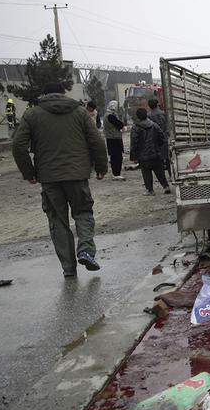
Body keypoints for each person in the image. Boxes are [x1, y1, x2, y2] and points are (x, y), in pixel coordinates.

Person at [12, 83, 108, 278]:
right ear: (64, 94)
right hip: (77, 174)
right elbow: (96, 141)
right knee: (83, 213)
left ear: (44, 94)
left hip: (49, 177)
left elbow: (18, 145)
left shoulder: (32, 114)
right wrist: (101, 167)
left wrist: (28, 172)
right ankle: (86, 251)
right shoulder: (80, 112)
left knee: (57, 220)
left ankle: (68, 268)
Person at [130, 108, 170, 196]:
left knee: (146, 173)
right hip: (155, 153)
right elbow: (162, 137)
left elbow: (134, 143)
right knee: (159, 171)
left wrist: (134, 156)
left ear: (137, 116)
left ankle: (150, 190)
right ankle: (166, 186)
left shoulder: (135, 127)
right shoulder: (154, 125)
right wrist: (158, 147)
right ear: (146, 115)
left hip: (143, 155)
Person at [103, 100, 126, 180]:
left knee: (114, 156)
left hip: (111, 138)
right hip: (114, 138)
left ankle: (116, 173)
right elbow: (119, 124)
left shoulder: (107, 115)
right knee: (117, 156)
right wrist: (122, 126)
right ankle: (116, 173)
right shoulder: (111, 116)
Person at [147, 98, 170, 175]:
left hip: (154, 140)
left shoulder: (149, 116)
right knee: (168, 158)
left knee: (159, 160)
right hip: (165, 138)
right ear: (157, 105)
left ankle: (162, 176)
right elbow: (168, 125)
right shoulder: (163, 113)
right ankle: (171, 175)